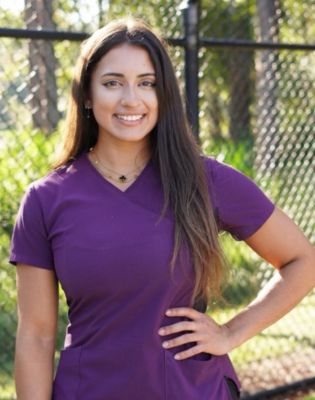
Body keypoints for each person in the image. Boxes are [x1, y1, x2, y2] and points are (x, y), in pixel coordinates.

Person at [9, 17, 315, 400]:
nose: (131, 99)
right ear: (87, 94)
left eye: (147, 83)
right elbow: (35, 336)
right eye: (112, 83)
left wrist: (231, 332)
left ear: (164, 94)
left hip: (193, 391)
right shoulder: (46, 199)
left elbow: (303, 260)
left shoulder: (205, 180)